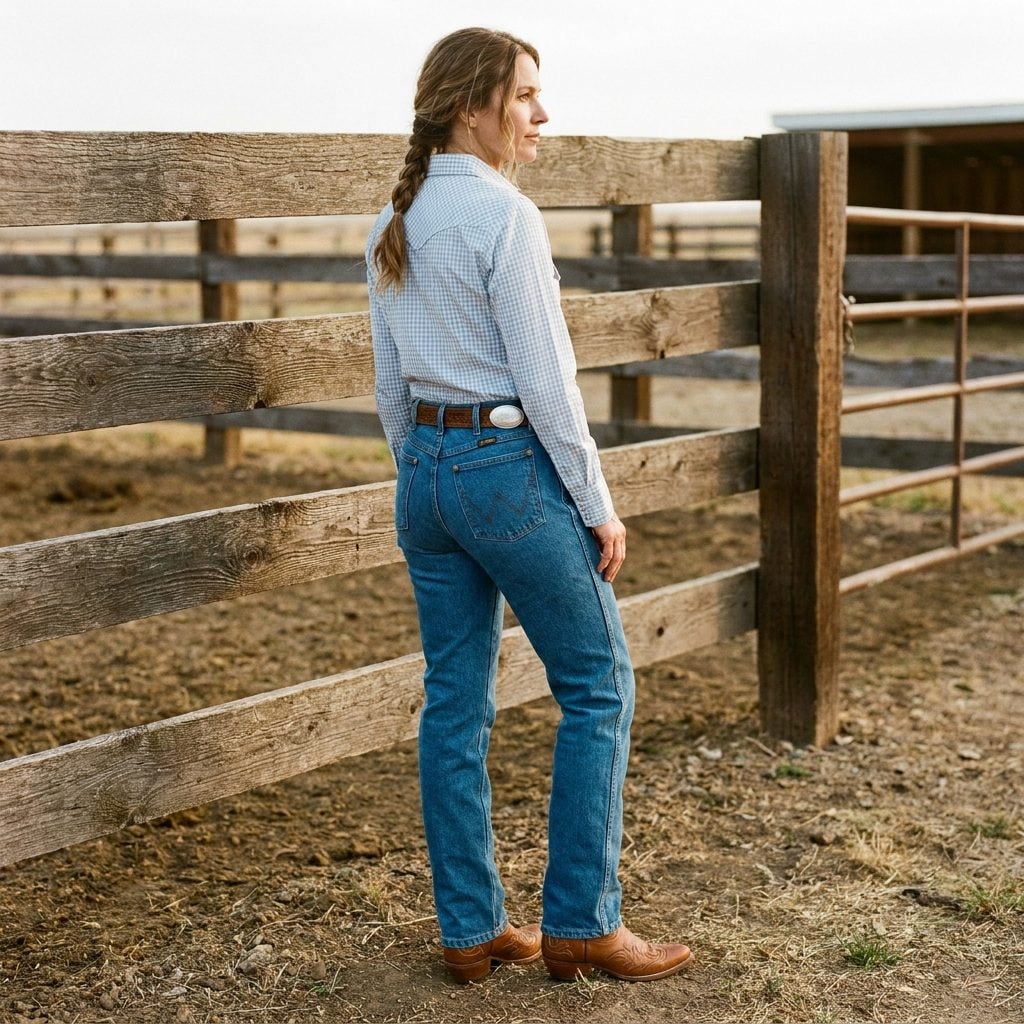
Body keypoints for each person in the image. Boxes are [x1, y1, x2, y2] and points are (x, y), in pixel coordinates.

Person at [364, 26, 693, 985]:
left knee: (454, 707)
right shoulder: (504, 216)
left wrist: (425, 474)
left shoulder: (395, 218)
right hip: (505, 469)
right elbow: (548, 386)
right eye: (525, 96)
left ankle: (471, 931)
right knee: (599, 684)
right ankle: (583, 922)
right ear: (473, 106)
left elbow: (389, 383)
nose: (542, 115)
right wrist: (599, 504)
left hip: (424, 477)